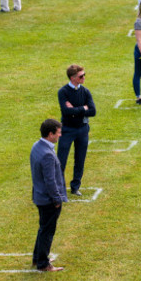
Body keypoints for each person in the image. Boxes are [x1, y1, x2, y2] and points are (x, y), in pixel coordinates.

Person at [31, 119, 67, 272]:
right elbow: (50, 181)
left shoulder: (37, 146)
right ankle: (43, 263)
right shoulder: (47, 154)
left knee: (43, 228)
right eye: (58, 133)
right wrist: (57, 199)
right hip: (48, 200)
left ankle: (38, 257)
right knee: (47, 231)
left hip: (39, 196)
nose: (60, 135)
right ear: (50, 134)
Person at [57, 64, 96, 196]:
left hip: (82, 130)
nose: (84, 77)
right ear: (73, 78)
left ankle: (75, 187)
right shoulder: (63, 92)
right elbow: (66, 112)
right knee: (61, 160)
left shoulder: (85, 91)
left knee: (80, 160)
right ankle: (59, 188)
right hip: (67, 130)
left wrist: (75, 110)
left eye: (84, 75)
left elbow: (93, 111)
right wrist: (83, 108)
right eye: (81, 76)